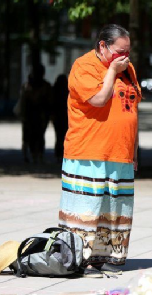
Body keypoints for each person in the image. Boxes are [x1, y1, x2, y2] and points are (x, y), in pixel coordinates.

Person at [59, 24, 141, 278]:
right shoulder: (83, 66)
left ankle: (109, 258)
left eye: (127, 51)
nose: (124, 57)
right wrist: (113, 72)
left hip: (121, 153)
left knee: (116, 209)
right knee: (88, 208)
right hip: (88, 152)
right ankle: (78, 259)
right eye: (119, 51)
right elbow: (98, 99)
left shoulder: (129, 70)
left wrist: (134, 150)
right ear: (102, 46)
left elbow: (132, 109)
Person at [19, 65, 51, 164]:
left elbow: (23, 101)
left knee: (30, 137)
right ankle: (37, 156)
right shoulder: (44, 86)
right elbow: (49, 101)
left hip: (31, 115)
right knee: (38, 136)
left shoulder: (27, 86)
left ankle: (30, 156)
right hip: (37, 115)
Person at [52, 74, 69, 163]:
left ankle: (58, 154)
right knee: (64, 136)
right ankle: (63, 154)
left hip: (57, 117)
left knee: (58, 136)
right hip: (65, 117)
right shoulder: (67, 91)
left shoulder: (54, 91)